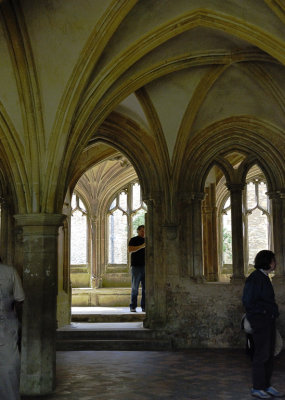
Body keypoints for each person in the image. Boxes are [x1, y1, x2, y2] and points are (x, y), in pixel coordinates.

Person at [242, 250, 284, 399]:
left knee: (269, 354)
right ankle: (257, 387)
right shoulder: (255, 278)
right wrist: (265, 313)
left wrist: (272, 313)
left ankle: (266, 385)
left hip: (268, 321)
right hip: (260, 322)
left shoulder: (264, 277)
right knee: (261, 355)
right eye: (273, 260)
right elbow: (248, 302)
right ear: (266, 261)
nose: (275, 263)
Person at [0, 261, 25, 400]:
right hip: (8, 326)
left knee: (9, 369)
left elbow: (19, 299)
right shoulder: (10, 272)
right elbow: (19, 299)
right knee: (10, 370)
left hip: (7, 327)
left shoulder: (10, 272)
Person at [128, 225, 145, 312]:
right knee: (135, 287)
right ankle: (133, 306)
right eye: (142, 231)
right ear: (138, 231)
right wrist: (141, 246)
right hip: (136, 267)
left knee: (146, 288)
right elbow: (130, 249)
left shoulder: (148, 240)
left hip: (146, 267)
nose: (143, 233)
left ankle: (144, 307)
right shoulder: (133, 240)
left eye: (145, 231)